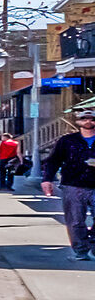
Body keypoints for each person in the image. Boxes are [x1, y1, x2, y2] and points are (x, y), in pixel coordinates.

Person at [39, 110, 95, 260]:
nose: (88, 121)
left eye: (92, 119)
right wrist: (47, 179)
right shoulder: (67, 141)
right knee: (75, 220)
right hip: (73, 184)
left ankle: (92, 243)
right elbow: (53, 160)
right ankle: (81, 251)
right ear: (78, 121)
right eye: (84, 119)